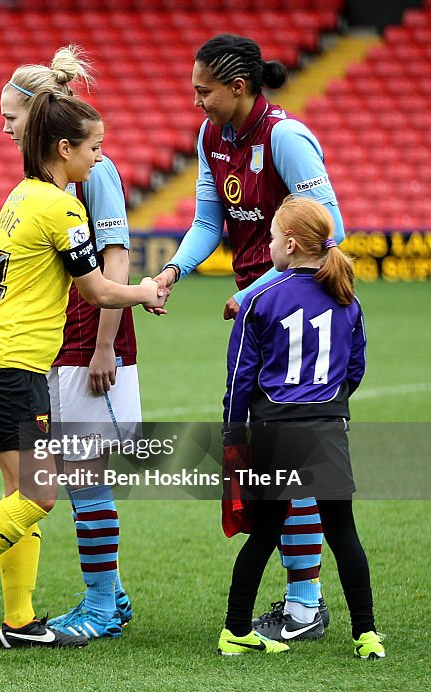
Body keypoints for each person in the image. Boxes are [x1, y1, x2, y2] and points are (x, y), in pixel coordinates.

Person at [0, 91, 165, 648]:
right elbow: (98, 290)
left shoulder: (21, 196)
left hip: (1, 359)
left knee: (20, 493)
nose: (98, 158)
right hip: (10, 364)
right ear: (63, 148)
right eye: (93, 148)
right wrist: (145, 290)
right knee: (41, 494)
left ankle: (19, 621)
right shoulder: (63, 207)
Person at [152, 34, 344, 640]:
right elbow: (210, 220)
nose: (197, 103)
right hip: (257, 311)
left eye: (203, 91)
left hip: (295, 312)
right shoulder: (214, 138)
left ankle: (307, 605)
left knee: (293, 459)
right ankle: (302, 602)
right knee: (271, 460)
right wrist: (173, 270)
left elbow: (328, 226)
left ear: (238, 87)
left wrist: (259, 289)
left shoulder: (283, 137)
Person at [1, 46, 139, 641]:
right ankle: (114, 597)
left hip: (90, 343)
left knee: (86, 476)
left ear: (40, 119)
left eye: (11, 115)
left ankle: (103, 605)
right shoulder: (45, 177)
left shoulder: (93, 169)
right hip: (59, 343)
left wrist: (104, 345)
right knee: (77, 472)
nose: (2, 126)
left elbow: (115, 255)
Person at [218, 195, 383, 659]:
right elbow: (355, 369)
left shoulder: (262, 299)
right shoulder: (347, 299)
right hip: (328, 431)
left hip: (274, 431)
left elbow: (240, 376)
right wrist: (330, 408)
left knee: (266, 531)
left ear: (289, 244)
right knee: (343, 532)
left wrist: (233, 433)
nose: (268, 244)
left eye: (271, 236)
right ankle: (366, 634)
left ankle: (234, 631)